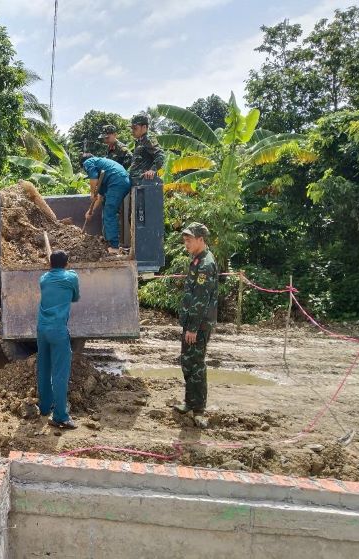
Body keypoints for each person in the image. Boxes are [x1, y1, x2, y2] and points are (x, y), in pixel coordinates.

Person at [175, 222, 218, 429]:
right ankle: (190, 402)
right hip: (192, 322)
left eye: (189, 240)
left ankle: (199, 408)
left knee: (196, 365)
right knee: (187, 362)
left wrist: (192, 328)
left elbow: (201, 299)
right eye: (185, 240)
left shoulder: (205, 265)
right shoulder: (197, 260)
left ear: (201, 239)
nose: (186, 244)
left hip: (198, 325)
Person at [36, 250, 81, 429]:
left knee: (44, 368)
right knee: (60, 373)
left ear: (50, 263)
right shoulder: (71, 278)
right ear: (67, 263)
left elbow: (51, 278)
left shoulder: (43, 279)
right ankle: (60, 416)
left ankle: (45, 407)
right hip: (58, 330)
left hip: (42, 329)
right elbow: (75, 297)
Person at [81, 153, 131, 254]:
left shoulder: (88, 161)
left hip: (117, 182)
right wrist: (90, 211)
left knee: (109, 213)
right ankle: (108, 241)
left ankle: (114, 247)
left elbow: (93, 177)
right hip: (121, 182)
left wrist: (92, 193)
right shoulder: (103, 172)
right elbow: (100, 197)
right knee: (106, 209)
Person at [128, 114, 165, 184]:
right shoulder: (139, 141)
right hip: (137, 181)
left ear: (144, 127)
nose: (132, 131)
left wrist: (152, 170)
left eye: (135, 128)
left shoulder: (148, 139)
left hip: (146, 182)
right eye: (132, 128)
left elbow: (161, 155)